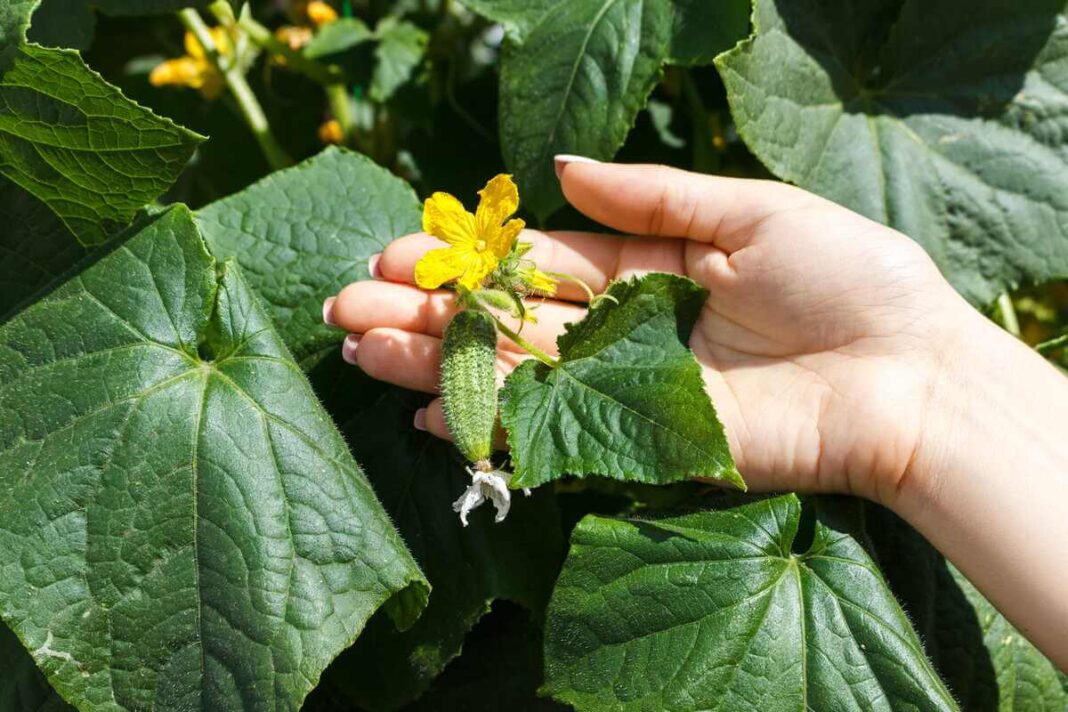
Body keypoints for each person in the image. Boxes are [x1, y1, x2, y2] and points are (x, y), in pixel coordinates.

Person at [323, 157, 1068, 670]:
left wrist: (930, 371)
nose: (481, 241)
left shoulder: (501, 245)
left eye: (488, 236)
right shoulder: (472, 292)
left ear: (502, 234)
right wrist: (935, 389)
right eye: (478, 240)